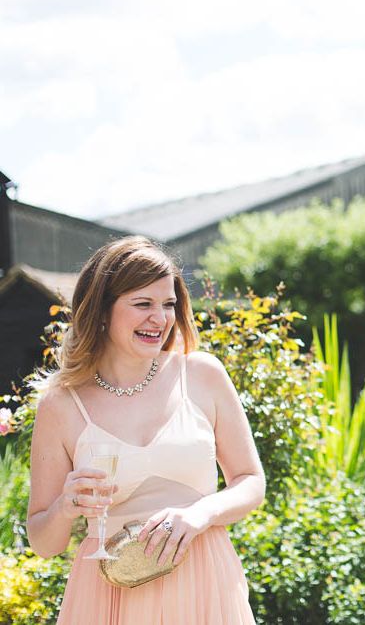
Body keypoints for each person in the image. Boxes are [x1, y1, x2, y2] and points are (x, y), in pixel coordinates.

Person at [26, 235, 265, 624]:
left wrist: (201, 513)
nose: (160, 318)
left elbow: (251, 480)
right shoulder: (61, 405)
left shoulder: (202, 374)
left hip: (205, 585)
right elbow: (43, 542)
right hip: (108, 598)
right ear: (102, 310)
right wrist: (65, 507)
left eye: (168, 304)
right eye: (143, 304)